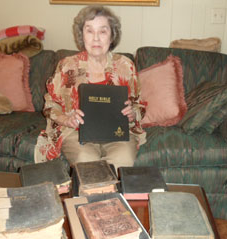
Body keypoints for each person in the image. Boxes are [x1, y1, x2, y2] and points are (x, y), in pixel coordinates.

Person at [34, 5, 147, 171]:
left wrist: (132, 113)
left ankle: (110, 196)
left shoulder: (125, 65)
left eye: (103, 31)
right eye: (89, 31)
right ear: (82, 36)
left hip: (117, 133)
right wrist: (67, 119)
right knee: (86, 161)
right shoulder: (67, 66)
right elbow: (50, 105)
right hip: (76, 132)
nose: (96, 38)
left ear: (112, 36)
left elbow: (139, 105)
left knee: (123, 159)